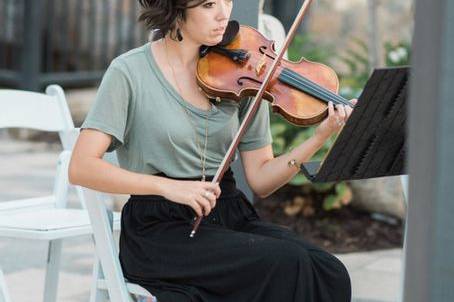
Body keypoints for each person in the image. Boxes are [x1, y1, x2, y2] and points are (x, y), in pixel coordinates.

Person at [69, 0, 357, 301]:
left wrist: (319, 137)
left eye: (227, 1)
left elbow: (260, 179)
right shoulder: (130, 71)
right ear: (175, 10)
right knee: (285, 263)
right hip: (161, 228)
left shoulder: (247, 73)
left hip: (227, 212)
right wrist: (169, 188)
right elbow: (81, 167)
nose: (224, 14)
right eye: (208, 4)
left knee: (328, 270)